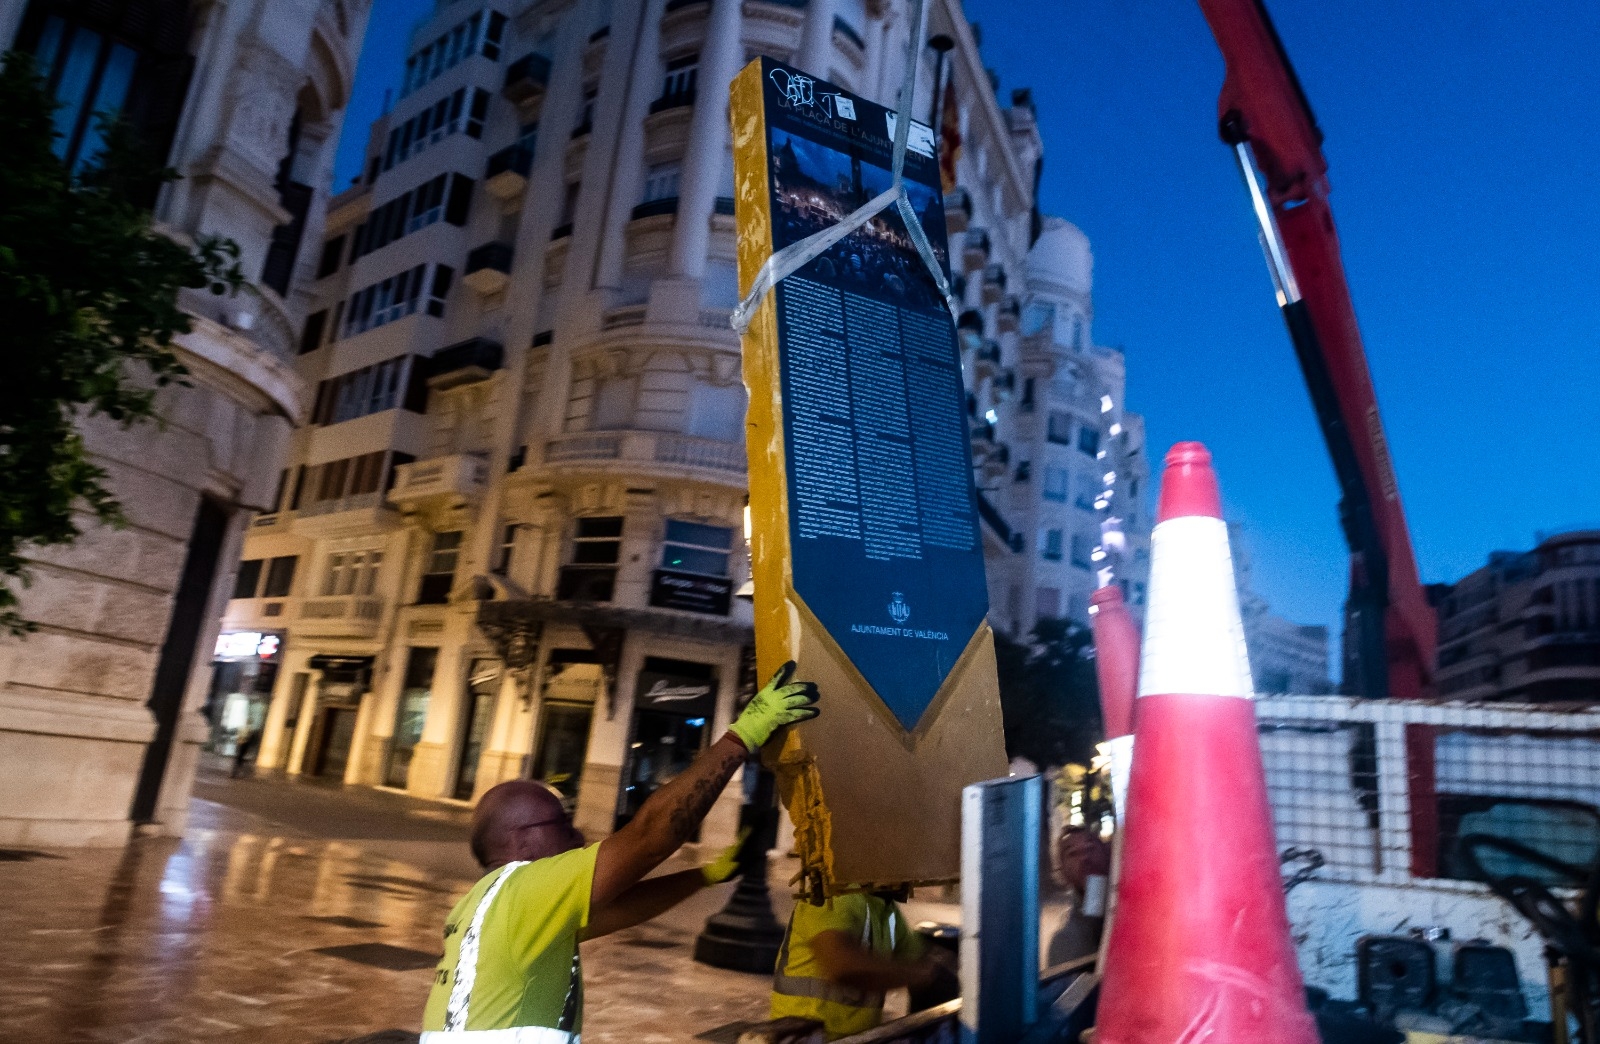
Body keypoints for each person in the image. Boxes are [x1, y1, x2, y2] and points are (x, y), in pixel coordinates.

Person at [419, 662, 820, 1042]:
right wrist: (742, 737)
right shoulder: (524, 888)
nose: (578, 836)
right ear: (521, 841)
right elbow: (649, 836)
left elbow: (619, 908)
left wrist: (707, 874)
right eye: (562, 823)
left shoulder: (485, 906)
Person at [768, 889, 951, 1040]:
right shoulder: (833, 895)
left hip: (855, 1038)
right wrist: (921, 974)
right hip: (806, 1037)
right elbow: (842, 968)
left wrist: (939, 970)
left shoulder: (886, 910)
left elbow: (922, 959)